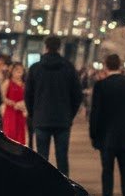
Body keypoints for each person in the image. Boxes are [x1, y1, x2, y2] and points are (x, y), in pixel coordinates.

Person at [24, 36, 83, 177]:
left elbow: (28, 95)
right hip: (62, 119)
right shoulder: (68, 68)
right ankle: (65, 189)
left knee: (42, 157)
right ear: (59, 47)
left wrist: (33, 113)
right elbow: (77, 95)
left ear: (46, 46)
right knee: (62, 157)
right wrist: (70, 114)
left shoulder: (35, 68)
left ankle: (43, 186)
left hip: (41, 118)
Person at [88, 53, 125, 196]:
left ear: (106, 66)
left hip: (106, 134)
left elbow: (95, 113)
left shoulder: (101, 85)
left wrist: (93, 133)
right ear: (120, 65)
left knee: (107, 170)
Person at [1, 62, 27, 145]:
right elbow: (3, 97)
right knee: (10, 134)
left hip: (20, 112)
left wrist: (23, 104)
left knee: (20, 135)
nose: (19, 73)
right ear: (12, 71)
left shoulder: (24, 84)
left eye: (21, 71)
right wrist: (12, 103)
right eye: (17, 70)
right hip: (10, 112)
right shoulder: (7, 82)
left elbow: (27, 97)